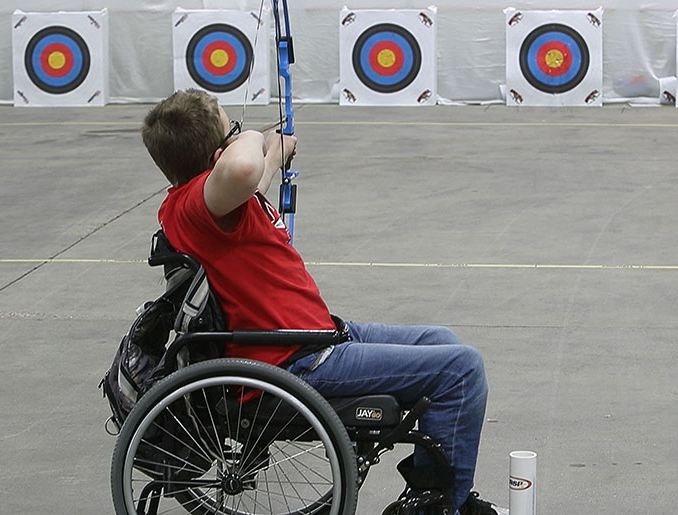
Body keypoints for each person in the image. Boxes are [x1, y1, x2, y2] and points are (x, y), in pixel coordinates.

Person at [141, 88, 507, 515]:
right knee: (461, 369)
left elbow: (250, 179)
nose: (244, 138)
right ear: (218, 155)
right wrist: (255, 138)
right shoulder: (197, 204)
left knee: (440, 340)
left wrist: (275, 151)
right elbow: (242, 168)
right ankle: (441, 507)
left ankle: (434, 493)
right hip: (293, 359)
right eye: (233, 130)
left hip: (310, 336)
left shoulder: (202, 205)